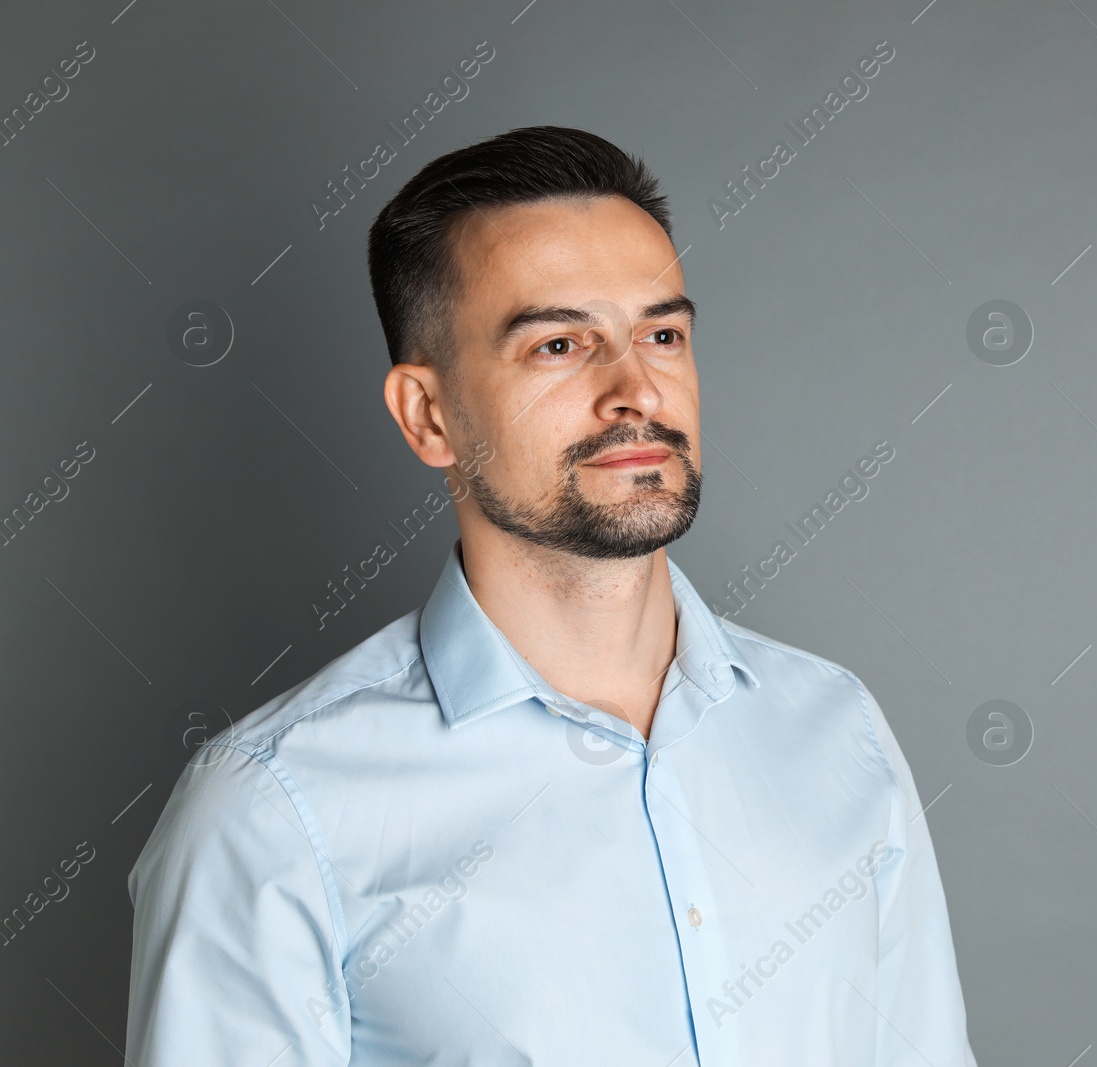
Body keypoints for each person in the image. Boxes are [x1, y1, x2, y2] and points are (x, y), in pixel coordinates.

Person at [127, 126, 976, 1066]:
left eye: (661, 334)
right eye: (561, 344)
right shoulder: (274, 811)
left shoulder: (836, 728)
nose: (636, 391)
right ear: (429, 414)